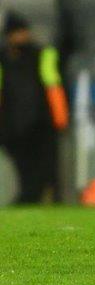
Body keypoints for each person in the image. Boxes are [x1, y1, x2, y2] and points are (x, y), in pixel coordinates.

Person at [0, 12, 69, 203]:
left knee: (47, 168)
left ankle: (42, 199)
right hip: (12, 125)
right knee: (27, 168)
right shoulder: (3, 59)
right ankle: (29, 198)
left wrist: (59, 117)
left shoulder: (42, 54)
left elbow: (53, 86)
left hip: (42, 122)